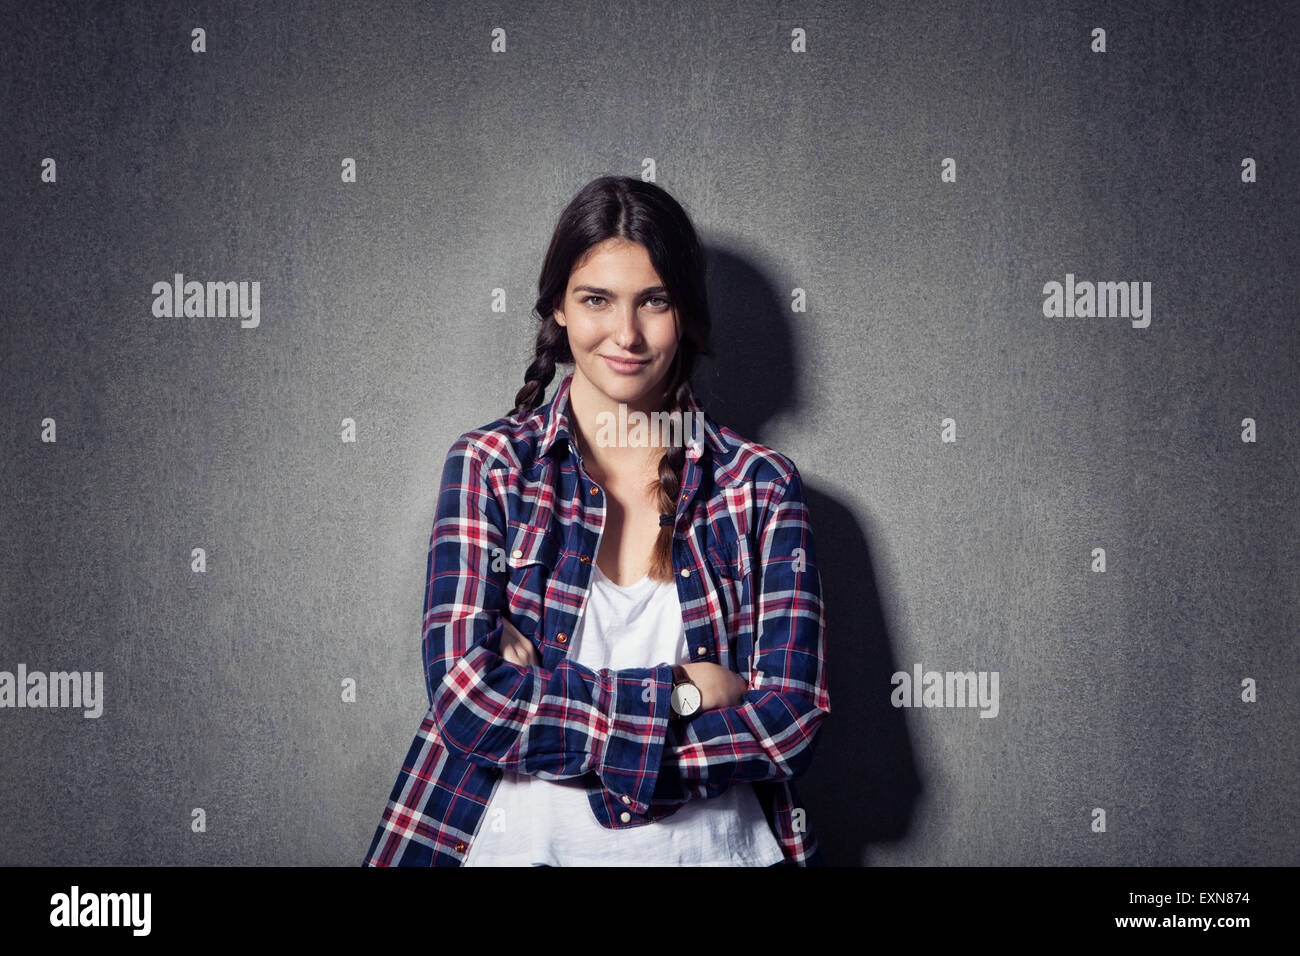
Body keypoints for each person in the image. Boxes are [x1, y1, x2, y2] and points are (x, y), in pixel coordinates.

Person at [363, 175, 829, 866]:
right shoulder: (491, 467)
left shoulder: (760, 486)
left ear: (688, 315)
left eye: (655, 301)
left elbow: (788, 722)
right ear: (557, 306)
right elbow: (467, 702)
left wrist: (543, 693)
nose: (627, 334)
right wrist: (678, 694)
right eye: (596, 300)